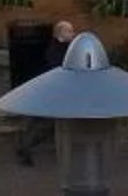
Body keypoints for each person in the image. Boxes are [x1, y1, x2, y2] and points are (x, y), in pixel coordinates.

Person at [13, 20, 77, 165]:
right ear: (61, 34)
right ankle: (25, 149)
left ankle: (25, 148)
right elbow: (59, 70)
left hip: (56, 92)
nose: (73, 34)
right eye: (70, 31)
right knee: (43, 124)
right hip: (53, 93)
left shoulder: (64, 48)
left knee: (44, 124)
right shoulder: (55, 50)